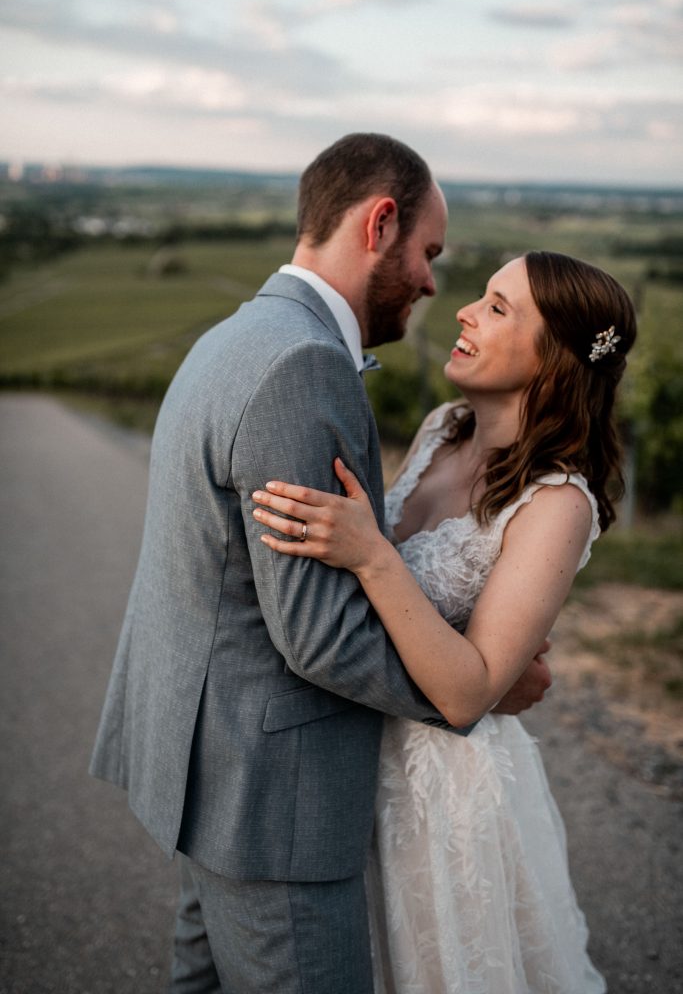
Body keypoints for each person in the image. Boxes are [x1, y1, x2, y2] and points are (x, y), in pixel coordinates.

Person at [89, 133, 550, 993]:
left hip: (207, 765)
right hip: (271, 798)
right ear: (380, 223)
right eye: (428, 253)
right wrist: (474, 690)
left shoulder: (239, 333)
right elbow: (317, 637)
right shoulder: (305, 364)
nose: (430, 283)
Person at [252, 249, 637, 992]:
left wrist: (372, 557)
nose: (463, 311)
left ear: (554, 356)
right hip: (357, 746)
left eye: (498, 308)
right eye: (480, 296)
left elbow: (466, 695)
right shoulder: (440, 429)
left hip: (440, 789)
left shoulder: (558, 503)